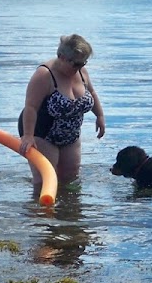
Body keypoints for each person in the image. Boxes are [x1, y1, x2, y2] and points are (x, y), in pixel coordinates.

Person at [17, 34, 106, 189]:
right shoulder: (44, 75)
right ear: (61, 57)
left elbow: (92, 93)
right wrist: (28, 136)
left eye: (83, 63)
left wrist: (99, 116)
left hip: (71, 134)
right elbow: (30, 107)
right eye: (76, 64)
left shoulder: (81, 72)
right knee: (46, 179)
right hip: (43, 133)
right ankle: (40, 211)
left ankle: (69, 211)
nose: (80, 67)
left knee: (70, 177)